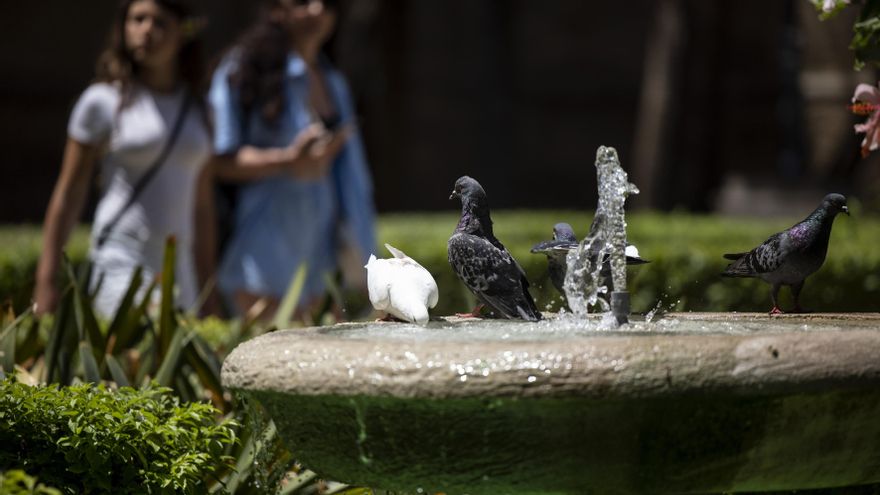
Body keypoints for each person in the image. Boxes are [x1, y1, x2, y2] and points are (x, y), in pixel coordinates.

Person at [34, 0, 217, 318]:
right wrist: (46, 281)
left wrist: (207, 287)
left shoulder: (201, 111)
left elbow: (201, 206)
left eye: (159, 22)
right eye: (137, 19)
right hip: (120, 259)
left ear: (183, 32)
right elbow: (69, 194)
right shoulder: (102, 101)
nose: (146, 30)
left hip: (180, 269)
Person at [210, 0, 376, 319]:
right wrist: (288, 161)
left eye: (327, 3)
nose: (316, 10)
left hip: (323, 264)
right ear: (276, 8)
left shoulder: (334, 82)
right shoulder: (244, 69)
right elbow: (219, 161)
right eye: (302, 2)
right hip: (261, 262)